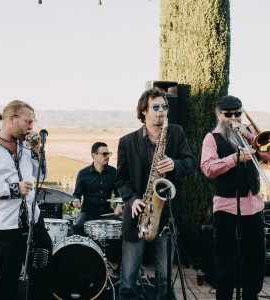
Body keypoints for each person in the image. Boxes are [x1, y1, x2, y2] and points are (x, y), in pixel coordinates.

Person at [115, 87, 195, 300]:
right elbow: (121, 179)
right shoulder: (127, 142)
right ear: (144, 111)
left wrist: (175, 164)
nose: (162, 111)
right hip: (137, 214)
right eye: (156, 107)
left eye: (164, 106)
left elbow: (190, 164)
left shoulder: (176, 133)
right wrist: (132, 199)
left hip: (166, 214)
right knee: (127, 279)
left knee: (165, 278)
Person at [0, 100, 53, 300]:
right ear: (11, 119)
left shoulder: (25, 147)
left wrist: (36, 150)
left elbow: (42, 175)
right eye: (28, 121)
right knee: (7, 281)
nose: (31, 127)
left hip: (34, 222)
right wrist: (12, 189)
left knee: (43, 276)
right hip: (5, 228)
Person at [201, 95, 270, 300]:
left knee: (255, 257)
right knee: (225, 258)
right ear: (218, 114)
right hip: (226, 207)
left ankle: (251, 295)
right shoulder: (211, 138)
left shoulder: (251, 132)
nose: (233, 118)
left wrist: (250, 138)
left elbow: (267, 156)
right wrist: (234, 159)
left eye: (237, 114)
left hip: (254, 205)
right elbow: (208, 168)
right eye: (228, 114)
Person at [72, 142, 122, 236]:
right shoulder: (83, 173)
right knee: (78, 226)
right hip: (88, 213)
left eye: (109, 154)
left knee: (124, 226)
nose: (107, 156)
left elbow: (118, 192)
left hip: (107, 213)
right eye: (104, 154)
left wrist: (119, 205)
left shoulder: (113, 172)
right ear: (94, 155)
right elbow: (76, 194)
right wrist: (76, 200)